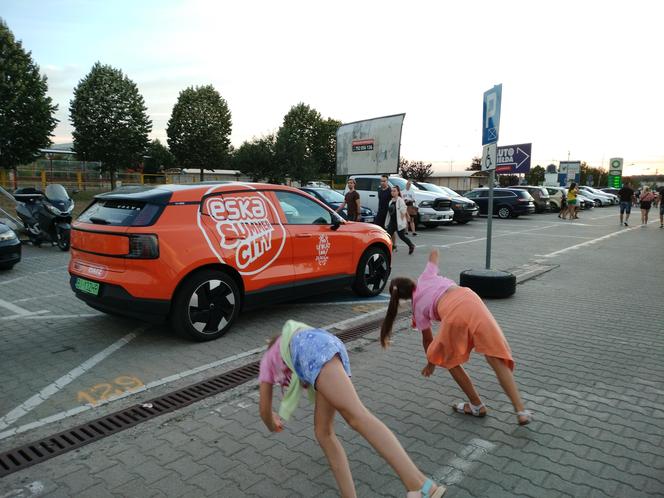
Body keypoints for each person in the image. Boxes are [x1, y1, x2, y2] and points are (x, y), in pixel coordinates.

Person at [258, 320, 447, 498]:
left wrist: (271, 421)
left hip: (319, 355)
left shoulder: (268, 359)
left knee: (358, 417)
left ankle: (419, 485)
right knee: (323, 432)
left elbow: (264, 409)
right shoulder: (290, 336)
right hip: (328, 347)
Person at [380, 249, 532, 426]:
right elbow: (434, 256)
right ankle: (521, 411)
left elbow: (428, 340)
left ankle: (476, 405)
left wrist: (431, 362)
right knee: (495, 356)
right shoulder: (426, 276)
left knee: (449, 361)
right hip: (471, 299)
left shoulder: (417, 308)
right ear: (412, 282)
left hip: (453, 315)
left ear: (400, 299)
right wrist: (434, 251)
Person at [386, 185, 415, 255]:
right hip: (392, 222)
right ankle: (392, 247)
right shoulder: (391, 201)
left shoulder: (400, 200)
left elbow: (403, 210)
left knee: (402, 236)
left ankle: (411, 245)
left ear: (398, 192)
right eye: (392, 191)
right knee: (388, 236)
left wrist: (403, 219)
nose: (392, 192)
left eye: (394, 191)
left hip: (398, 222)